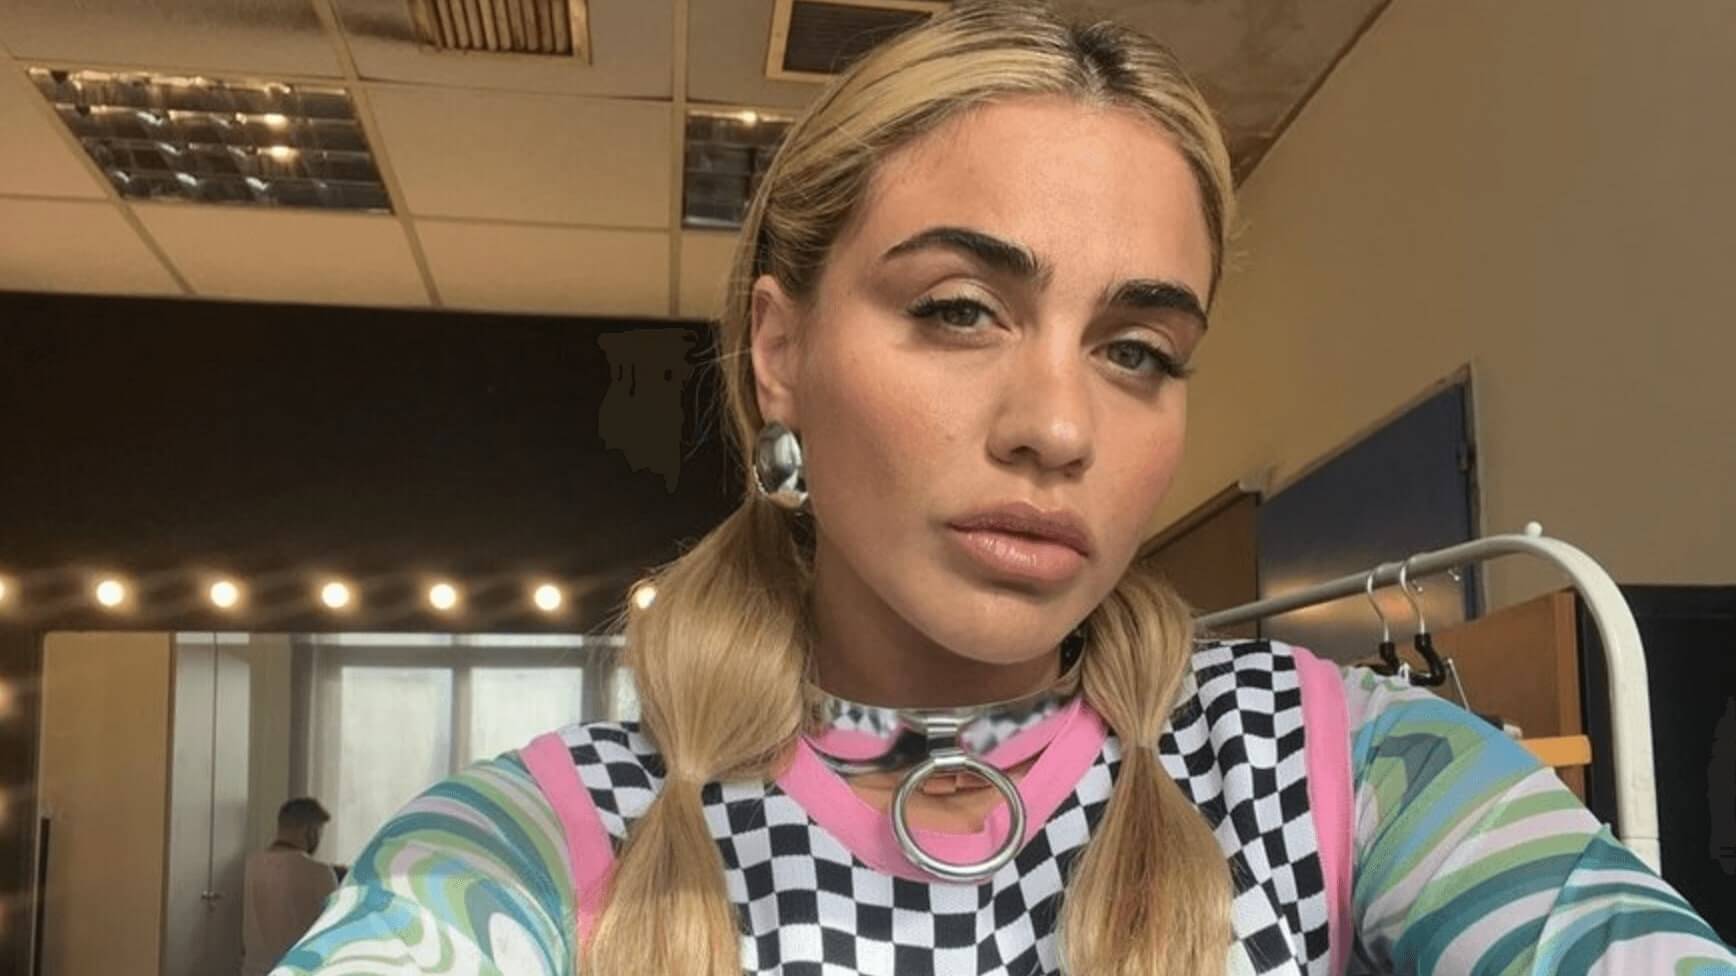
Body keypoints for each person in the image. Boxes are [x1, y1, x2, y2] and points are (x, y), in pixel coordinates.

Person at [272, 2, 1736, 974]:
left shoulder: (1340, 768)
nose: (1057, 426)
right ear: (780, 352)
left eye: (1137, 348)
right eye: (960, 310)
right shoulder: (535, 843)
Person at [243, 797, 339, 976]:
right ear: (309, 830)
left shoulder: (247, 867)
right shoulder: (319, 872)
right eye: (319, 832)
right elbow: (333, 932)